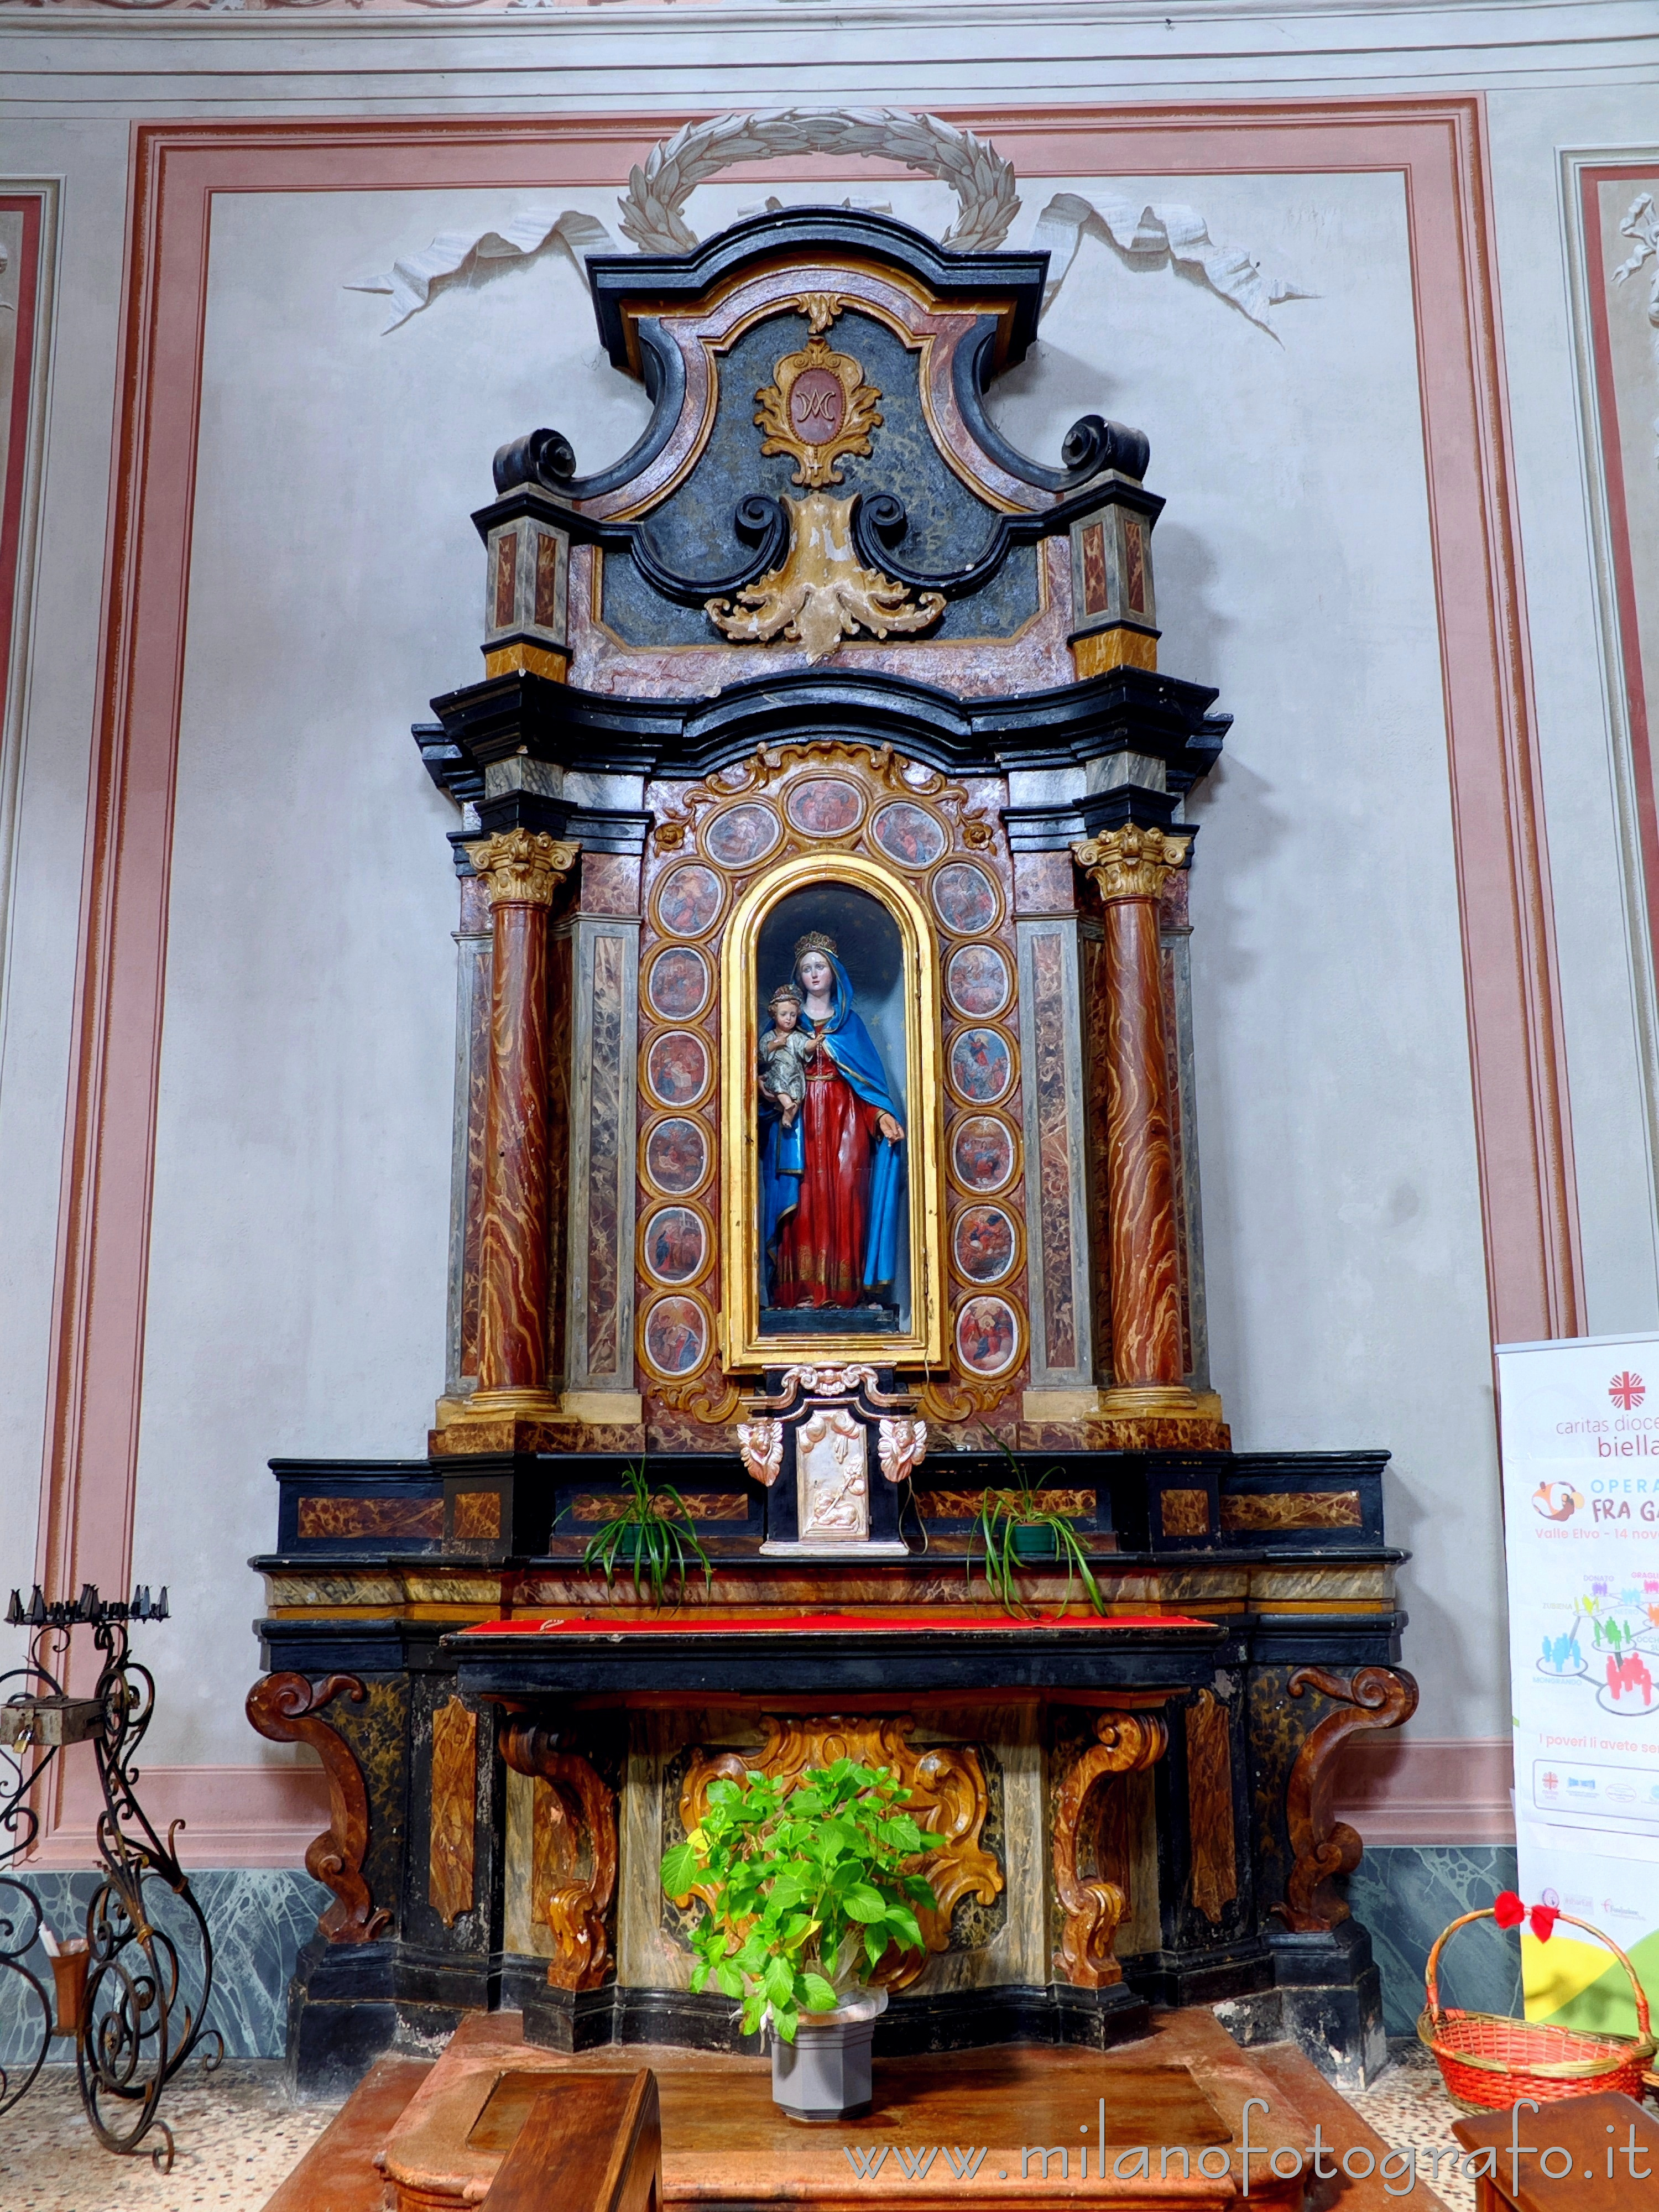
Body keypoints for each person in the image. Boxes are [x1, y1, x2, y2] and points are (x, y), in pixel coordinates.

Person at [760, 931, 905, 1311]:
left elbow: (869, 1085)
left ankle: (847, 1293)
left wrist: (883, 1116)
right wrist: (766, 1091)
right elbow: (765, 1071)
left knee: (846, 1196)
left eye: (819, 966)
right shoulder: (784, 1026)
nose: (813, 974)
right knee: (804, 1200)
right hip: (799, 1124)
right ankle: (801, 1292)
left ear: (834, 972)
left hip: (846, 1122)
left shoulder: (850, 1026)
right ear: (798, 976)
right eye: (806, 968)